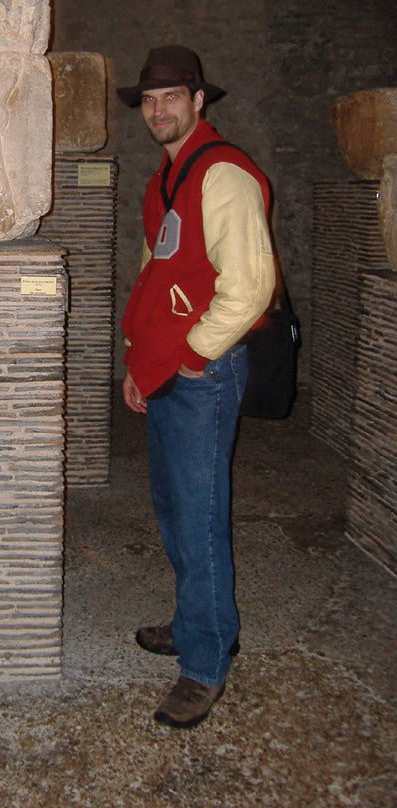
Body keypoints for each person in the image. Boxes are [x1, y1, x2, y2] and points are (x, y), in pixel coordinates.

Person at [117, 45, 276, 728]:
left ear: (199, 100)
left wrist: (191, 359)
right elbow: (159, 272)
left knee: (202, 517)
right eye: (150, 100)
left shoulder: (224, 175)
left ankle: (206, 661)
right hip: (168, 369)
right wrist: (139, 359)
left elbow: (250, 290)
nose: (159, 110)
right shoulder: (167, 178)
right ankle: (195, 621)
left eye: (172, 97)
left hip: (203, 372)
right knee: (177, 509)